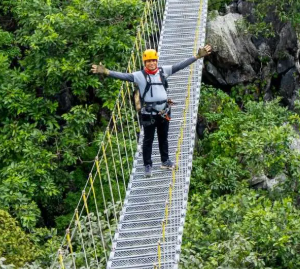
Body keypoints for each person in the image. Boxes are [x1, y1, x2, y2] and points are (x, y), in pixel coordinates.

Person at [91, 45, 213, 175]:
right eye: (149, 61)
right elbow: (123, 76)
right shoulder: (139, 76)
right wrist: (107, 72)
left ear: (156, 61)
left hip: (164, 112)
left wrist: (197, 56)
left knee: (163, 138)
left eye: (154, 60)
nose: (152, 63)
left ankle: (165, 161)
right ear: (145, 62)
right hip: (149, 114)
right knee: (148, 140)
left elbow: (180, 66)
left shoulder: (163, 71)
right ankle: (147, 166)